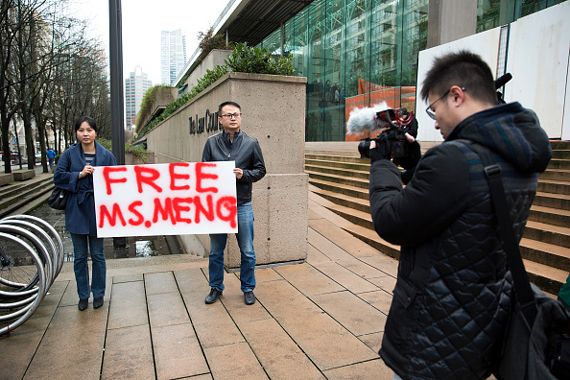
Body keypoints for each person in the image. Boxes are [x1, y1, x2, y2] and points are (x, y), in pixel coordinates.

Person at [366, 50, 551, 379]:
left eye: (434, 109)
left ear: (456, 95)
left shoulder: (456, 159)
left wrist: (381, 164)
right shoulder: (520, 152)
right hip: (481, 322)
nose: (435, 121)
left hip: (433, 330)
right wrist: (414, 163)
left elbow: (391, 221)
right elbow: (464, 201)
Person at [201, 101, 266, 305]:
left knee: (247, 250)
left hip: (242, 204)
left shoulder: (251, 143)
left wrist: (244, 174)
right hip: (218, 205)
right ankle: (215, 287)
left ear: (241, 117)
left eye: (236, 114)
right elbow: (203, 173)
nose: (233, 118)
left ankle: (248, 288)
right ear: (220, 119)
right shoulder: (211, 143)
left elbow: (261, 170)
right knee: (215, 251)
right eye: (228, 115)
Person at [54, 116, 117, 311]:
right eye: (81, 130)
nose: (86, 133)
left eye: (89, 129)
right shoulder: (69, 154)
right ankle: (83, 295)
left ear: (95, 132)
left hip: (99, 211)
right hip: (76, 210)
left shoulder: (107, 156)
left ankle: (98, 293)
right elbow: (58, 177)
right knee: (80, 256)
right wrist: (79, 175)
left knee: (98, 255)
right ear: (76, 133)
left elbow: (116, 181)